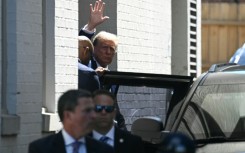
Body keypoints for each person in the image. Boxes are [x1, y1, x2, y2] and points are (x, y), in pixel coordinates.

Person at [79, 0, 126, 130]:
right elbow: (76, 50)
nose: (108, 52)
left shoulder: (113, 79)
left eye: (112, 49)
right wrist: (90, 26)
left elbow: (115, 110)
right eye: (105, 47)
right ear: (93, 48)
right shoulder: (86, 65)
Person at [28, 89, 114, 153]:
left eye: (93, 110)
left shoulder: (104, 150)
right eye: (87, 111)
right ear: (68, 115)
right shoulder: (41, 149)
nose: (93, 116)